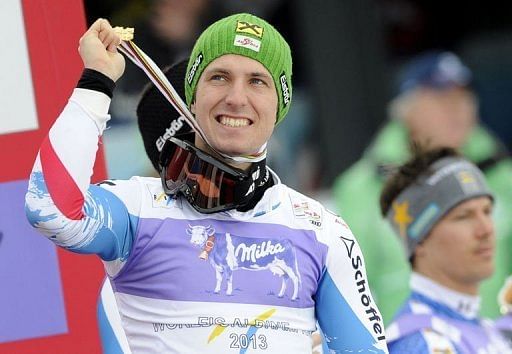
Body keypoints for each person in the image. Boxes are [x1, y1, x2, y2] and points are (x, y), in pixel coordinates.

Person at [25, 14, 388, 353]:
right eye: (219, 77)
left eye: (257, 81)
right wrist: (97, 82)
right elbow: (52, 210)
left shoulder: (321, 230)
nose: (236, 97)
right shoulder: (138, 207)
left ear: (281, 105)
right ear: (193, 96)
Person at [332, 51, 512, 322]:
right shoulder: (361, 187)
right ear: (406, 111)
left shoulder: (503, 175)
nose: (458, 110)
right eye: (441, 100)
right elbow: (344, 288)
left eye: (464, 98)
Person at [380, 147, 511, 352]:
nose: (486, 229)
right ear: (421, 238)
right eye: (464, 216)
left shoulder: (478, 327)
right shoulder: (424, 342)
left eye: (487, 211)